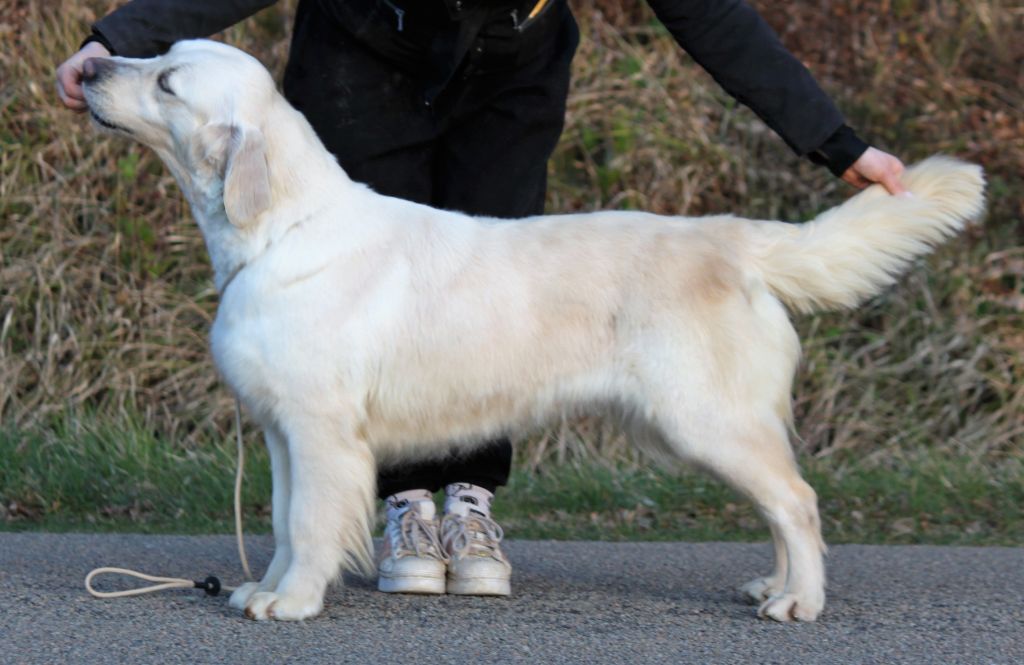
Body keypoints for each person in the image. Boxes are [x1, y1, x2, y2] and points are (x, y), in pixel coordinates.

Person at [56, 0, 907, 598]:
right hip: (363, 50)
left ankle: (466, 502)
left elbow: (709, 13)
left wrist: (837, 144)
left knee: (488, 303)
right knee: (366, 317)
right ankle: (401, 510)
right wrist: (120, 36)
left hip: (511, 64)